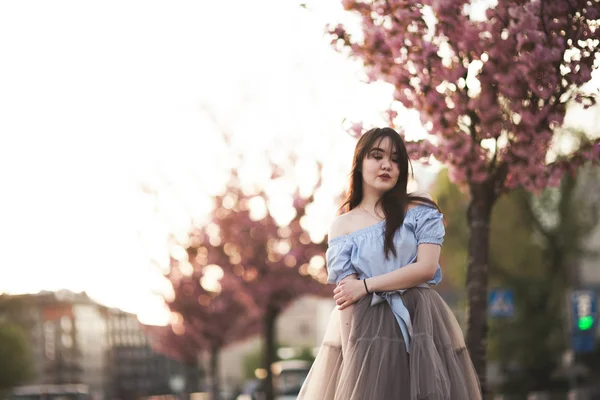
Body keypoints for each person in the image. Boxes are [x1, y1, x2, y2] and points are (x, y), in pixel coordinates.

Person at [297, 127, 482, 399]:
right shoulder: (342, 225)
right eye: (377, 156)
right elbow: (347, 299)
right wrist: (352, 361)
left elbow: (426, 268)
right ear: (359, 163)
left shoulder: (420, 208)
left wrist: (367, 285)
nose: (387, 165)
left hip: (423, 324)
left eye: (396, 159)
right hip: (369, 334)